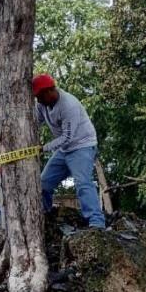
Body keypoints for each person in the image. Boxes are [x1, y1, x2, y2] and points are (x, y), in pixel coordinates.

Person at [32, 73, 106, 228]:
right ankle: (45, 216)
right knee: (43, 184)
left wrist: (43, 148)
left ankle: (96, 222)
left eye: (39, 96)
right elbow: (34, 121)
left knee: (83, 182)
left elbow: (67, 137)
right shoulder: (42, 104)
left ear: (50, 91)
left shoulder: (68, 105)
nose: (37, 100)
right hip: (64, 150)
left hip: (82, 145)